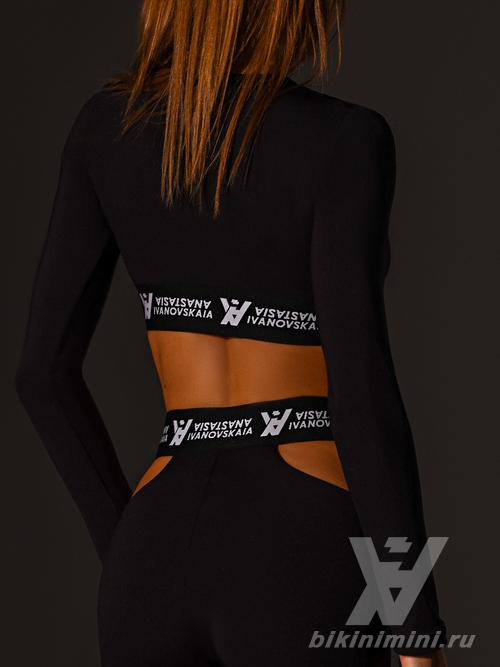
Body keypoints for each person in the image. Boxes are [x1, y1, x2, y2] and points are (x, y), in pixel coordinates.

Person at [15, 1, 449, 665]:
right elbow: (361, 399)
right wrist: (415, 627)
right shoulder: (345, 140)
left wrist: (129, 546)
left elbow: (41, 377)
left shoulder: (105, 128)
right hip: (299, 550)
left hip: (153, 548)